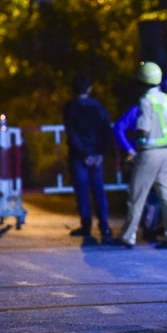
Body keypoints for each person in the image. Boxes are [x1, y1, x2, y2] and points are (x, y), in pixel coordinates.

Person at [114, 62, 167, 249]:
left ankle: (128, 236)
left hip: (149, 153)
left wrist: (134, 138)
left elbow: (143, 129)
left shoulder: (146, 100)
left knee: (137, 194)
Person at [63, 74, 117, 244]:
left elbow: (72, 133)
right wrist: (99, 153)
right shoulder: (98, 107)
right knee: (99, 191)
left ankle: (86, 226)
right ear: (90, 88)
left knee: (82, 192)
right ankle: (105, 227)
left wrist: (85, 154)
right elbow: (106, 130)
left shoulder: (70, 108)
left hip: (80, 156)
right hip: (96, 156)